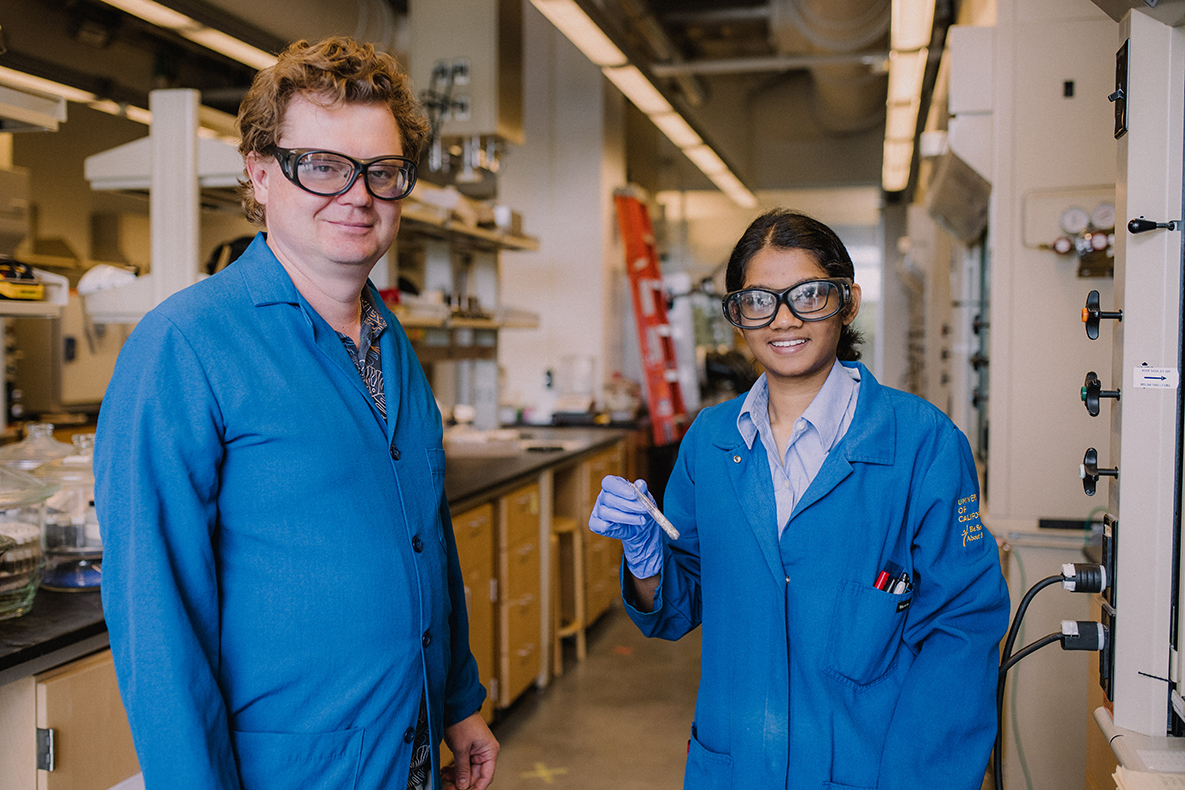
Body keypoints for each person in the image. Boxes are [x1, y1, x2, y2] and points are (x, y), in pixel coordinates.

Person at [95, 37, 497, 790]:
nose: (357, 196)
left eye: (382, 172)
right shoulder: (185, 345)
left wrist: (458, 702)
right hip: (288, 771)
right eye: (321, 166)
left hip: (405, 758)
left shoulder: (390, 343)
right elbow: (157, 615)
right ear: (258, 172)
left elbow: (426, 543)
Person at [590, 209, 1009, 789]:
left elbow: (960, 633)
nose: (783, 319)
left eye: (809, 295)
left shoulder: (922, 444)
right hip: (733, 767)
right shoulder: (710, 442)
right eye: (759, 299)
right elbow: (676, 604)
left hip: (871, 771)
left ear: (848, 301)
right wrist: (646, 562)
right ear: (738, 314)